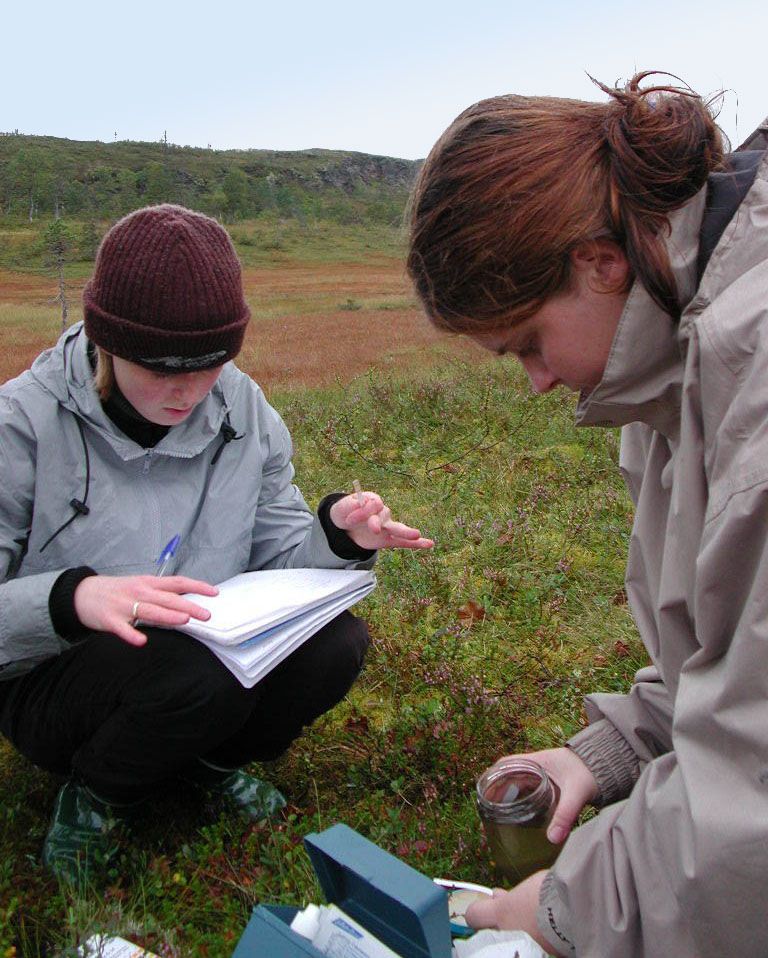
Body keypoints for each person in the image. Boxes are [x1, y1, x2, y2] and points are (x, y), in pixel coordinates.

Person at [407, 72, 768, 957]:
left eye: (527, 340)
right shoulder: (667, 369)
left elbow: (757, 791)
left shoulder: (754, 393)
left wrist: (564, 911)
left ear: (599, 261)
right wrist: (606, 754)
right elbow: (729, 660)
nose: (534, 380)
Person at [0, 203, 433, 881]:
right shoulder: (22, 424)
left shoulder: (243, 408)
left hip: (205, 647)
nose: (187, 391)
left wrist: (337, 535)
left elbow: (277, 546)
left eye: (208, 366)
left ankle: (209, 763)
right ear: (105, 340)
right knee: (196, 677)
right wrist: (74, 598)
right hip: (59, 678)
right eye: (160, 367)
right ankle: (94, 798)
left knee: (336, 645)